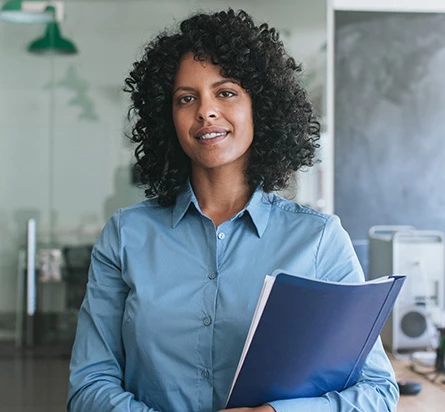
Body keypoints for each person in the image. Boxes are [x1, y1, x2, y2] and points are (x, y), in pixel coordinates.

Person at [67, 8, 399, 412]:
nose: (205, 110)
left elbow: (378, 393)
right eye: (186, 98)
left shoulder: (319, 241)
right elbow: (89, 386)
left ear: (260, 107)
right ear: (167, 118)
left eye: (225, 92)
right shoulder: (126, 236)